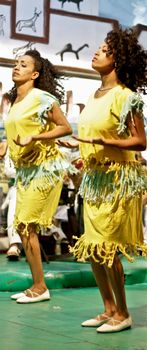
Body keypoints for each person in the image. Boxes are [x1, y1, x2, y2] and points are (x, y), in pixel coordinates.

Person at [58, 27, 147, 333]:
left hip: (118, 179)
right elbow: (95, 137)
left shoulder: (126, 97)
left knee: (108, 247)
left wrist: (102, 140)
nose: (97, 51)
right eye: (98, 47)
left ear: (118, 59)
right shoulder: (94, 94)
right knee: (93, 247)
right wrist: (80, 146)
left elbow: (140, 141)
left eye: (105, 49)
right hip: (95, 177)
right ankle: (108, 308)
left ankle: (124, 313)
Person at [4, 49, 73, 303]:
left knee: (25, 224)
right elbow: (18, 133)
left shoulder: (42, 97)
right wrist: (6, 146)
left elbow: (65, 127)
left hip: (46, 167)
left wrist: (36, 137)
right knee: (22, 227)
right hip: (26, 169)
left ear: (34, 73)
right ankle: (37, 284)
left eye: (23, 65)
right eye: (16, 63)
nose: (16, 67)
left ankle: (41, 287)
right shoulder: (16, 102)